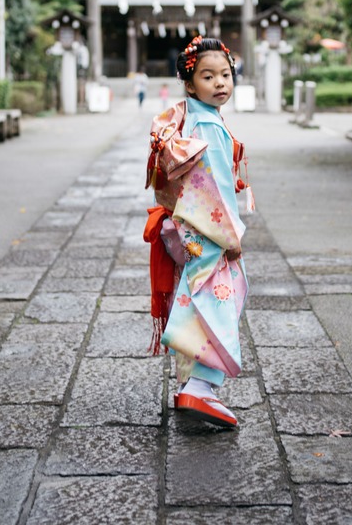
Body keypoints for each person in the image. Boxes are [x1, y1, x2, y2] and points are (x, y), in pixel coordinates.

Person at [144, 36, 253, 429]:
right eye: (208, 77)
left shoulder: (189, 116)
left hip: (189, 226)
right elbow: (218, 188)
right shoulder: (209, 125)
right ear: (190, 84)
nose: (221, 83)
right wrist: (230, 238)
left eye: (226, 74)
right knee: (223, 297)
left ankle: (192, 383)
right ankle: (202, 388)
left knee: (195, 296)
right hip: (209, 229)